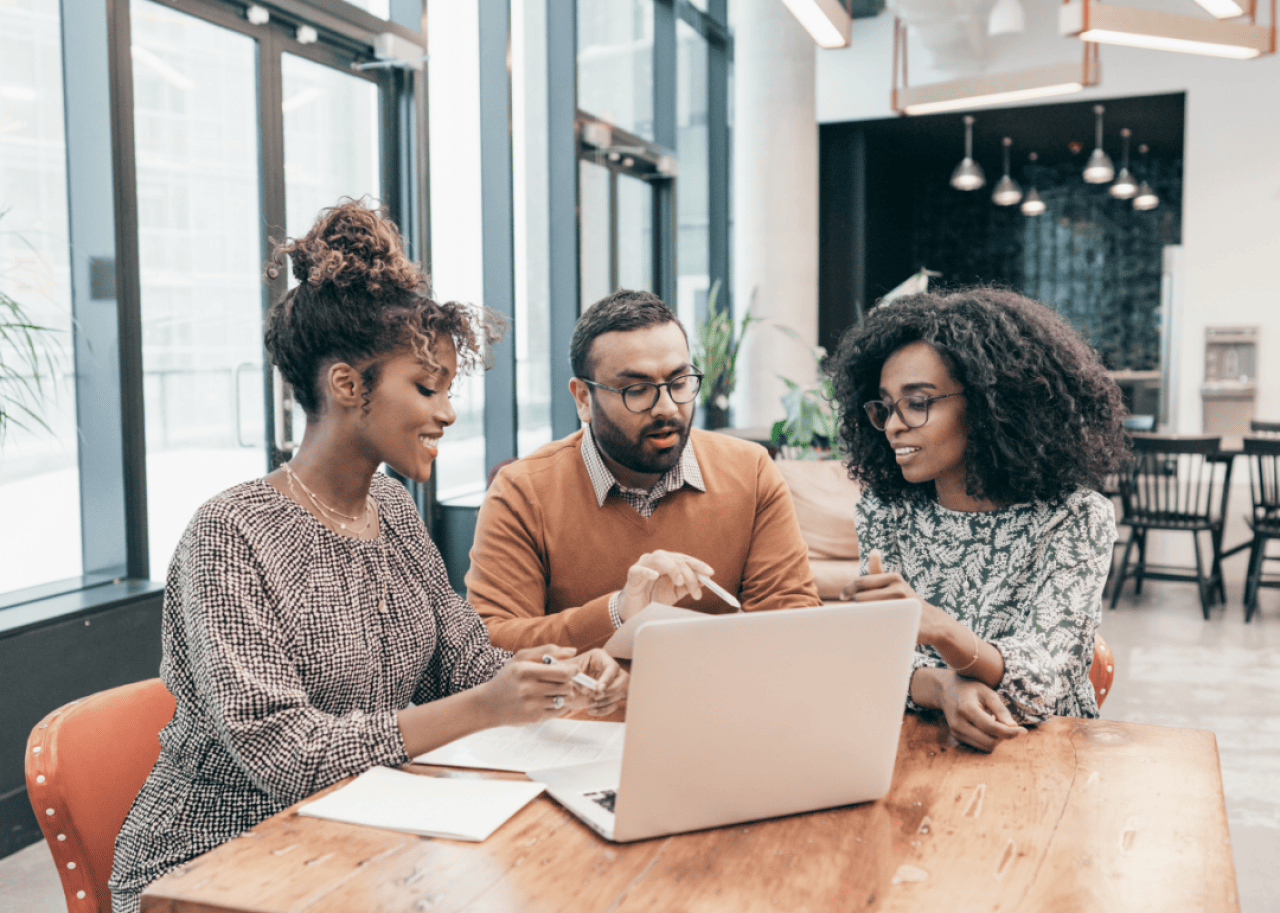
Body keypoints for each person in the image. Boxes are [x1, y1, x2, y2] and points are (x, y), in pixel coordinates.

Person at [109, 201, 627, 913]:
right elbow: (288, 755)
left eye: (448, 388)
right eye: (425, 386)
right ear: (348, 386)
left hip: (357, 828)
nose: (446, 411)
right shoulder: (228, 535)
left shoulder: (393, 512)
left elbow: (466, 665)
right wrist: (484, 706)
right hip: (213, 862)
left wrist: (555, 676)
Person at [829, 288, 1128, 753]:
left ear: (993, 405)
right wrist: (946, 689)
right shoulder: (886, 512)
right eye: (885, 407)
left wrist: (941, 631)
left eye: (918, 402)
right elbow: (876, 661)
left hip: (1043, 751)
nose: (892, 425)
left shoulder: (1074, 518)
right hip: (917, 742)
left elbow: (1041, 684)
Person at [467, 289, 821, 652]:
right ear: (583, 399)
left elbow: (791, 619)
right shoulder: (522, 491)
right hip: (581, 708)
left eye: (680, 382)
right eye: (637, 389)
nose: (667, 408)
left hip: (721, 701)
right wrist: (617, 613)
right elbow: (491, 645)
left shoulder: (752, 471)